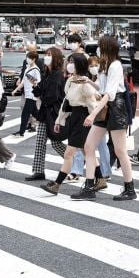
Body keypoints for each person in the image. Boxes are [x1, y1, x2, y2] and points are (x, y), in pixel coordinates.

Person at [72, 36, 136, 200]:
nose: (98, 49)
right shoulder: (104, 66)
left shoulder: (115, 65)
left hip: (115, 108)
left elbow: (111, 94)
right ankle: (89, 186)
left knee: (120, 150)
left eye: (100, 46)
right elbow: (102, 88)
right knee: (89, 146)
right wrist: (88, 81)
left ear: (107, 48)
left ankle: (130, 189)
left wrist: (93, 114)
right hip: (105, 108)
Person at [41, 54, 98, 195]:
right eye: (69, 62)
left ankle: (57, 184)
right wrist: (59, 120)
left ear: (79, 64)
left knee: (69, 153)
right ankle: (101, 178)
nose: (69, 64)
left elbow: (92, 104)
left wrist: (94, 120)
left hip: (83, 119)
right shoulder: (71, 80)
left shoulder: (84, 83)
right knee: (87, 151)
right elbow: (66, 103)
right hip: (74, 117)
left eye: (72, 62)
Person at [69, 55, 112, 187]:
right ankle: (86, 173)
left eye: (96, 65)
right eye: (91, 66)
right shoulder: (89, 79)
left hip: (98, 115)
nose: (93, 68)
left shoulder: (103, 77)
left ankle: (104, 172)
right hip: (91, 114)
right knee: (85, 146)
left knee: (99, 145)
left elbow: (106, 94)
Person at [25, 47, 67, 181]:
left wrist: (41, 94)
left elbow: (53, 96)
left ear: (56, 58)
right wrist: (35, 85)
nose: (47, 57)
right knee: (40, 141)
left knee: (55, 142)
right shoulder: (46, 74)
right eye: (46, 54)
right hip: (45, 112)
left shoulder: (57, 75)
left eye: (50, 55)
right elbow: (39, 93)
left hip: (54, 113)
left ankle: (76, 159)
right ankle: (38, 171)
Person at [12, 51, 41, 137]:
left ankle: (21, 132)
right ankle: (48, 122)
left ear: (34, 59)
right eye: (27, 57)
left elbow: (38, 80)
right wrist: (15, 90)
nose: (27, 59)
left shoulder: (36, 69)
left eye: (29, 58)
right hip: (27, 93)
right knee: (36, 113)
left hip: (32, 94)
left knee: (25, 113)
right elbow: (23, 82)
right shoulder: (27, 68)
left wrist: (33, 80)